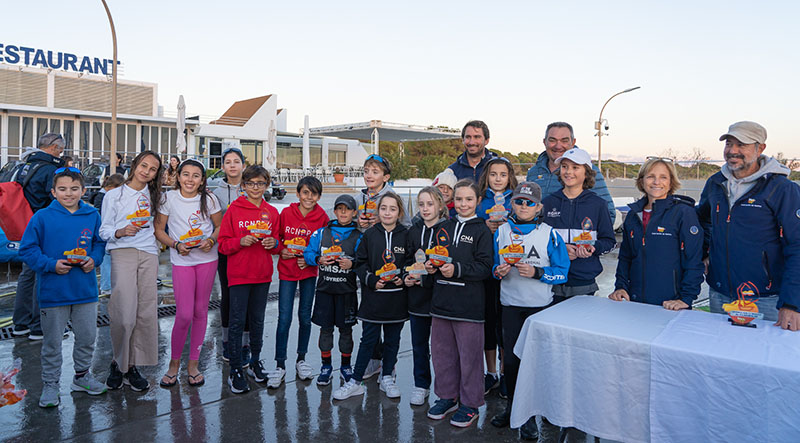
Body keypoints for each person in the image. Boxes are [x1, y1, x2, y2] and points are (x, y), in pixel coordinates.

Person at [697, 121, 800, 330]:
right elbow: (703, 221)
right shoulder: (716, 184)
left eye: (741, 144)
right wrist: (705, 254)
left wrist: (792, 302)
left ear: (760, 148)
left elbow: (797, 246)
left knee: (762, 360)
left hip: (766, 299)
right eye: (729, 143)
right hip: (720, 295)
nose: (732, 151)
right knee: (721, 354)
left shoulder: (782, 189)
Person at [19, 167, 107, 408]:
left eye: (74, 189)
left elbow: (100, 243)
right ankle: (50, 384)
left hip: (86, 291)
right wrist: (50, 265)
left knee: (88, 337)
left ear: (84, 191)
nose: (69, 194)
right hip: (53, 292)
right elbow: (27, 249)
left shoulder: (92, 215)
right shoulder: (42, 217)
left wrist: (94, 260)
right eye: (63, 189)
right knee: (52, 342)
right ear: (53, 191)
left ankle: (81, 376)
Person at [489, 181, 569, 441]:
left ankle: (532, 416)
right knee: (511, 362)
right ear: (512, 204)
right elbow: (492, 266)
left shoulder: (549, 233)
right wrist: (498, 272)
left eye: (530, 202)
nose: (524, 206)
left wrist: (538, 273)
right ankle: (513, 409)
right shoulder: (500, 232)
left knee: (534, 364)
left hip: (538, 309)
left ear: (539, 207)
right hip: (511, 307)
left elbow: (562, 273)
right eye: (519, 201)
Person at [425, 180, 493, 428]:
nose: (463, 204)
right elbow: (435, 255)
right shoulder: (443, 227)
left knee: (470, 358)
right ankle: (447, 396)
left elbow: (485, 267)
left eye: (469, 199)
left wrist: (459, 269)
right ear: (453, 200)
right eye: (460, 199)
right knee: (443, 356)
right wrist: (431, 266)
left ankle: (470, 404)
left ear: (477, 202)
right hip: (441, 303)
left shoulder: (482, 231)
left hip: (469, 307)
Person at [333, 193, 410, 401]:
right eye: (383, 208)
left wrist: (403, 276)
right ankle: (356, 381)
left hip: (397, 299)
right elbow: (360, 263)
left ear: (399, 212)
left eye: (392, 209)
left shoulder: (406, 235)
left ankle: (387, 377)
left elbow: (411, 263)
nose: (387, 212)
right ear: (378, 211)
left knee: (393, 340)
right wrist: (371, 280)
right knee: (368, 340)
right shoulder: (369, 234)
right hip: (373, 298)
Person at [154, 159, 222, 388]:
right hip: (181, 261)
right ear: (178, 176)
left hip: (207, 259)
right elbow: (158, 230)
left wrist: (211, 239)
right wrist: (175, 244)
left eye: (195, 176)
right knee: (183, 314)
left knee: (201, 311)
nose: (190, 180)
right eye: (186, 174)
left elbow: (220, 227)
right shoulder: (168, 198)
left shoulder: (210, 199)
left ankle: (193, 364)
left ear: (202, 180)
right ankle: (174, 364)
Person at [99, 150, 163, 392]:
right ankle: (118, 361)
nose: (146, 171)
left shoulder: (156, 196)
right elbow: (103, 230)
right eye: (143, 165)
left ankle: (133, 366)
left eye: (153, 169)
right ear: (135, 165)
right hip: (122, 252)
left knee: (145, 314)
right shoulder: (113, 195)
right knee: (123, 314)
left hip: (148, 254)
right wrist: (120, 231)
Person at [218, 165, 281, 393]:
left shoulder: (272, 212)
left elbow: (278, 244)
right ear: (243, 185)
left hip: (262, 276)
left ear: (267, 185)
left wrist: (274, 244)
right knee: (236, 322)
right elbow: (223, 245)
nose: (256, 188)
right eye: (251, 183)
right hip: (238, 276)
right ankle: (235, 368)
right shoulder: (234, 210)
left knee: (257, 321)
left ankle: (255, 361)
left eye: (261, 183)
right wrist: (239, 242)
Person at [610, 158, 704, 309]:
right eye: (651, 176)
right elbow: (625, 257)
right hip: (634, 301)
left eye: (663, 177)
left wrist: (686, 298)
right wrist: (620, 286)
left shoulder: (683, 213)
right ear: (641, 181)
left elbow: (693, 259)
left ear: (671, 182)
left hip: (670, 304)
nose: (656, 182)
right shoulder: (633, 216)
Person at [351, 153, 409, 379]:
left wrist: (383, 221)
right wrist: (358, 222)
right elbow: (343, 222)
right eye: (366, 171)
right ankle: (374, 360)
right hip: (366, 262)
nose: (369, 175)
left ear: (385, 176)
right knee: (370, 317)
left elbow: (406, 226)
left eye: (375, 172)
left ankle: (388, 365)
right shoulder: (359, 197)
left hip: (389, 264)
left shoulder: (392, 197)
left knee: (390, 319)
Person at [268, 176, 329, 388]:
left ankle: (301, 359)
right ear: (298, 193)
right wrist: (281, 250)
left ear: (319, 196)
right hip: (287, 272)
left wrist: (309, 259)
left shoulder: (322, 217)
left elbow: (324, 245)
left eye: (313, 193)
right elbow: (276, 238)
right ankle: (280, 364)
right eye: (305, 192)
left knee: (305, 316)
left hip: (308, 273)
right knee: (284, 317)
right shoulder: (285, 213)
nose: (309, 197)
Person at [303, 195, 362, 386]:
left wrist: (352, 264)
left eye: (348, 209)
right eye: (340, 208)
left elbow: (364, 260)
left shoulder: (359, 236)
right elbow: (309, 253)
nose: (343, 212)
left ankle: (345, 366)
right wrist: (318, 259)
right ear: (335, 211)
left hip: (347, 292)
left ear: (354, 213)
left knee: (346, 331)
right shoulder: (321, 233)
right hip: (325, 291)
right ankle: (326, 366)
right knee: (325, 329)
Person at [541, 148, 615, 299]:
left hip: (583, 282)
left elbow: (609, 241)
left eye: (575, 167)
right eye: (564, 167)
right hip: (551, 279)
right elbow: (538, 239)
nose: (568, 172)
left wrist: (593, 248)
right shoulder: (547, 203)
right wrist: (560, 250)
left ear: (586, 172)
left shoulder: (598, 204)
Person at [11, 133, 65, 340]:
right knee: (42, 274)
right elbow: (57, 200)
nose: (61, 153)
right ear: (52, 147)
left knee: (27, 274)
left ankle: (21, 323)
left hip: (23, 224)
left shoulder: (22, 166)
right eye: (60, 149)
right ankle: (38, 326)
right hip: (43, 226)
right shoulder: (50, 169)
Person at [475, 157, 518, 398]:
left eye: (503, 174)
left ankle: (504, 372)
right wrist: (486, 226)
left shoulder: (516, 199)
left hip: (509, 271)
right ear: (487, 176)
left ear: (509, 176)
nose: (498, 179)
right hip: (487, 270)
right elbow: (474, 224)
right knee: (489, 322)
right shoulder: (481, 201)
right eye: (493, 174)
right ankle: (490, 372)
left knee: (505, 324)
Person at [404, 186, 449, 406]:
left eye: (430, 204)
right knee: (419, 345)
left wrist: (439, 268)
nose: (425, 208)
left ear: (441, 205)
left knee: (442, 348)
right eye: (421, 204)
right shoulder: (413, 230)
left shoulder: (449, 229)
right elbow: (405, 261)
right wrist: (408, 275)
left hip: (442, 298)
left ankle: (446, 389)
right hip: (418, 297)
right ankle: (421, 385)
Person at [525, 122, 615, 224]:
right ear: (544, 142)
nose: (558, 146)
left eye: (564, 141)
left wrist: (584, 235)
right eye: (552, 140)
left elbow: (609, 213)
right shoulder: (533, 172)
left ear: (573, 142)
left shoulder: (588, 171)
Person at [209, 148, 251, 365]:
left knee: (248, 299)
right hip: (226, 251)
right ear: (223, 167)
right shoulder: (215, 192)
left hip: (250, 251)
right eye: (228, 162)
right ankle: (226, 341)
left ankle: (245, 343)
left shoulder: (252, 188)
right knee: (227, 296)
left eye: (237, 161)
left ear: (244, 165)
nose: (233, 165)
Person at [92, 173, 125, 295]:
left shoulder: (104, 196)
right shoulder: (104, 197)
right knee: (106, 261)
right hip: (106, 233)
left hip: (109, 232)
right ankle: (106, 286)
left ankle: (109, 285)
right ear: (112, 186)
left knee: (109, 261)